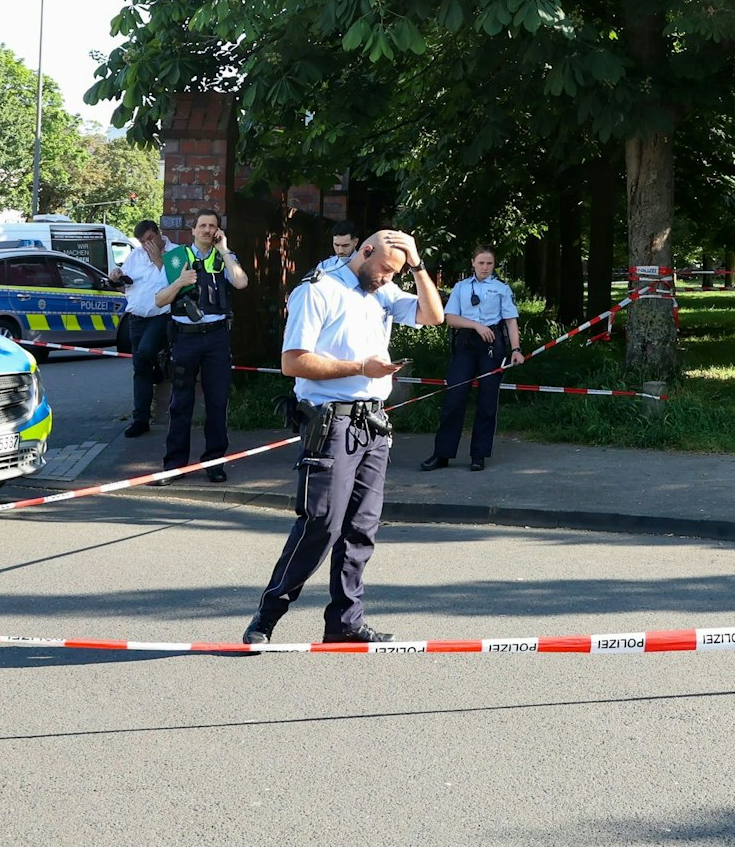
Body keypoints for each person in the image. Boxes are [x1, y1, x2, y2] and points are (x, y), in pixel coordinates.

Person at [243, 229, 443, 647]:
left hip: (373, 423)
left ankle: (345, 623)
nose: (387, 279)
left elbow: (432, 316)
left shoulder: (382, 291)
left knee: (362, 529)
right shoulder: (318, 290)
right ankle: (267, 615)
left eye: (395, 274)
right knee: (322, 525)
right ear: (365, 252)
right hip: (330, 423)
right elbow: (292, 362)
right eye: (385, 270)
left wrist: (418, 264)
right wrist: (359, 368)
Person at [154, 209, 249, 481]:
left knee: (217, 402)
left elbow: (241, 282)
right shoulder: (176, 259)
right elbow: (159, 300)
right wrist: (181, 282)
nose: (207, 230)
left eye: (213, 226)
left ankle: (214, 463)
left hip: (217, 338)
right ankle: (175, 465)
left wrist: (226, 250)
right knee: (180, 402)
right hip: (185, 337)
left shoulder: (224, 258)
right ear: (193, 230)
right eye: (203, 226)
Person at [420, 246, 523, 472]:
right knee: (454, 398)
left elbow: (510, 321)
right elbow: (450, 318)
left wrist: (515, 349)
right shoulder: (461, 287)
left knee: (487, 401)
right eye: (481, 263)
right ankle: (442, 454)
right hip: (466, 343)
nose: (485, 267)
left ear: (494, 265)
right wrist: (476, 325)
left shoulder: (501, 289)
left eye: (489, 263)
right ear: (473, 263)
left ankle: (479, 454)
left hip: (491, 346)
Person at [109, 220, 175, 438]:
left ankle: (158, 366)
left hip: (161, 316)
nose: (147, 245)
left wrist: (159, 261)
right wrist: (117, 276)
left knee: (146, 351)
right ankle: (141, 419)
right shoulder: (135, 256)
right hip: (137, 316)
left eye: (150, 239)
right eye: (142, 242)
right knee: (140, 368)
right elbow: (126, 283)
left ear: (158, 233)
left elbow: (176, 283)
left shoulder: (174, 253)